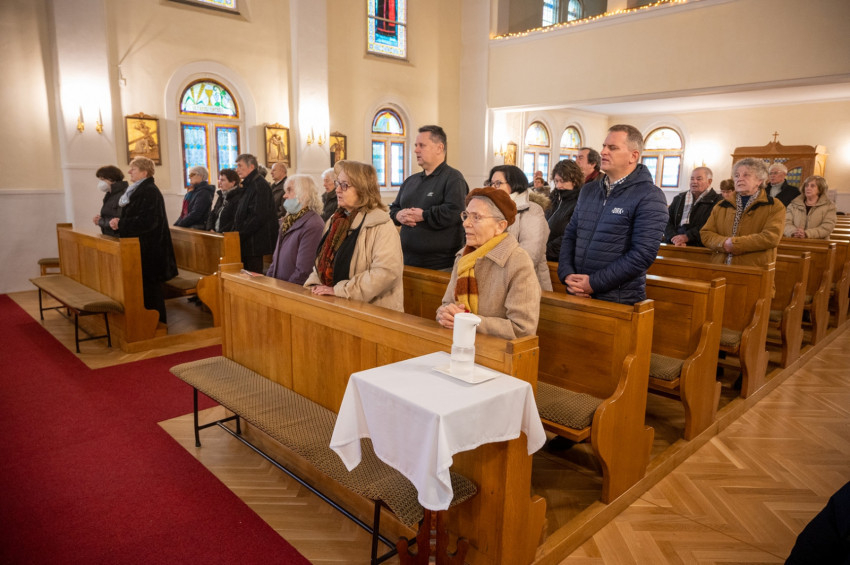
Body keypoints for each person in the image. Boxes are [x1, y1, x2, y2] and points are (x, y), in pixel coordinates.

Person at [557, 124, 668, 305]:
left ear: (633, 156)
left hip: (617, 298)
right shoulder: (588, 190)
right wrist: (567, 275)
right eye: (604, 146)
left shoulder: (650, 196)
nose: (603, 152)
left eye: (613, 148)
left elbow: (642, 254)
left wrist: (593, 283)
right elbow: (570, 235)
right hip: (577, 292)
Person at [436, 187, 540, 340]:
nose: (466, 223)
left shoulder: (518, 262)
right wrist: (444, 314)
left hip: (497, 351)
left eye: (476, 217)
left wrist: (469, 321)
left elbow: (522, 329)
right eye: (466, 215)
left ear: (500, 226)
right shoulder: (464, 256)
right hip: (459, 342)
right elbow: (447, 304)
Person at [304, 160, 404, 311]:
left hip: (373, 311)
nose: (338, 190)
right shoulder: (335, 220)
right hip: (335, 304)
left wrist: (340, 290)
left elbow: (386, 272)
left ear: (363, 189)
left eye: (344, 185)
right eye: (338, 184)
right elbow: (321, 262)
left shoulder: (381, 224)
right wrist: (314, 285)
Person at [389, 125, 468, 270]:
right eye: (416, 145)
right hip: (406, 261)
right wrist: (398, 215)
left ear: (439, 148)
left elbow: (455, 213)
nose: (416, 150)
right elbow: (394, 208)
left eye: (422, 145)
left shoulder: (453, 178)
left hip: (440, 265)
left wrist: (424, 215)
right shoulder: (410, 180)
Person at [108, 157, 177, 324]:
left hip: (149, 249)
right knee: (145, 289)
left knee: (151, 290)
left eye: (133, 169)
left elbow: (149, 221)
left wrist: (121, 223)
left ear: (144, 173)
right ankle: (146, 321)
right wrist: (119, 222)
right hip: (140, 246)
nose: (129, 172)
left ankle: (157, 324)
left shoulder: (149, 191)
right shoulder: (139, 189)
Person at [700, 157, 785, 268]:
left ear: (759, 180)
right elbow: (706, 234)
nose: (739, 179)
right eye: (737, 175)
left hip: (754, 269)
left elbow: (771, 237)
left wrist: (735, 244)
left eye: (746, 175)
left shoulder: (773, 205)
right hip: (720, 267)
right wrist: (724, 243)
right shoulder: (721, 205)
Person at [485, 164, 552, 291]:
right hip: (494, 281)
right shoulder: (491, 209)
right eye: (491, 183)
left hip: (525, 283)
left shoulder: (532, 210)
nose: (493, 188)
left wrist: (495, 268)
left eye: (498, 183)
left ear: (514, 184)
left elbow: (530, 255)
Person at [266, 175, 325, 285]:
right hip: (278, 287)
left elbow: (304, 271)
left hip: (292, 290)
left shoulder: (313, 225)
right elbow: (275, 261)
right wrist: (268, 283)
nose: (284, 195)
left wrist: (284, 291)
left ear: (304, 194)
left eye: (289, 190)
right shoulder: (288, 221)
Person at [234, 153, 278, 273]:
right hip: (248, 239)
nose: (237, 169)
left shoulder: (259, 185)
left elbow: (257, 216)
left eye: (240, 166)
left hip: (254, 241)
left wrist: (240, 234)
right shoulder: (249, 184)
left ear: (251, 167)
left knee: (253, 274)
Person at [664, 166, 722, 247]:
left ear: (709, 181)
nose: (694, 182)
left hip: (700, 247)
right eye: (692, 179)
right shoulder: (679, 198)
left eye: (699, 179)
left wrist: (687, 237)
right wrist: (673, 238)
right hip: (674, 244)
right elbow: (666, 220)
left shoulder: (718, 201)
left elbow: (711, 225)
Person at [545, 158, 584, 262]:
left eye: (563, 181)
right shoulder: (553, 199)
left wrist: (546, 250)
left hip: (561, 258)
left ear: (575, 181)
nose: (558, 186)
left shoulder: (580, 202)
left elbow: (572, 235)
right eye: (556, 181)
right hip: (545, 255)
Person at [784, 175, 837, 239]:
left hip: (818, 242)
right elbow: (786, 222)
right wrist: (793, 232)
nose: (808, 188)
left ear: (820, 189)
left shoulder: (829, 206)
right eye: (806, 185)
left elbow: (827, 227)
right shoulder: (793, 204)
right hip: (795, 240)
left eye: (812, 186)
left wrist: (807, 234)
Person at [93, 165, 127, 237]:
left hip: (119, 236)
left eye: (102, 179)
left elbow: (119, 220)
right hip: (110, 235)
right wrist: (100, 219)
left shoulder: (123, 194)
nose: (100, 182)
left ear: (111, 179)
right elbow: (110, 215)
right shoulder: (109, 194)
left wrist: (100, 221)